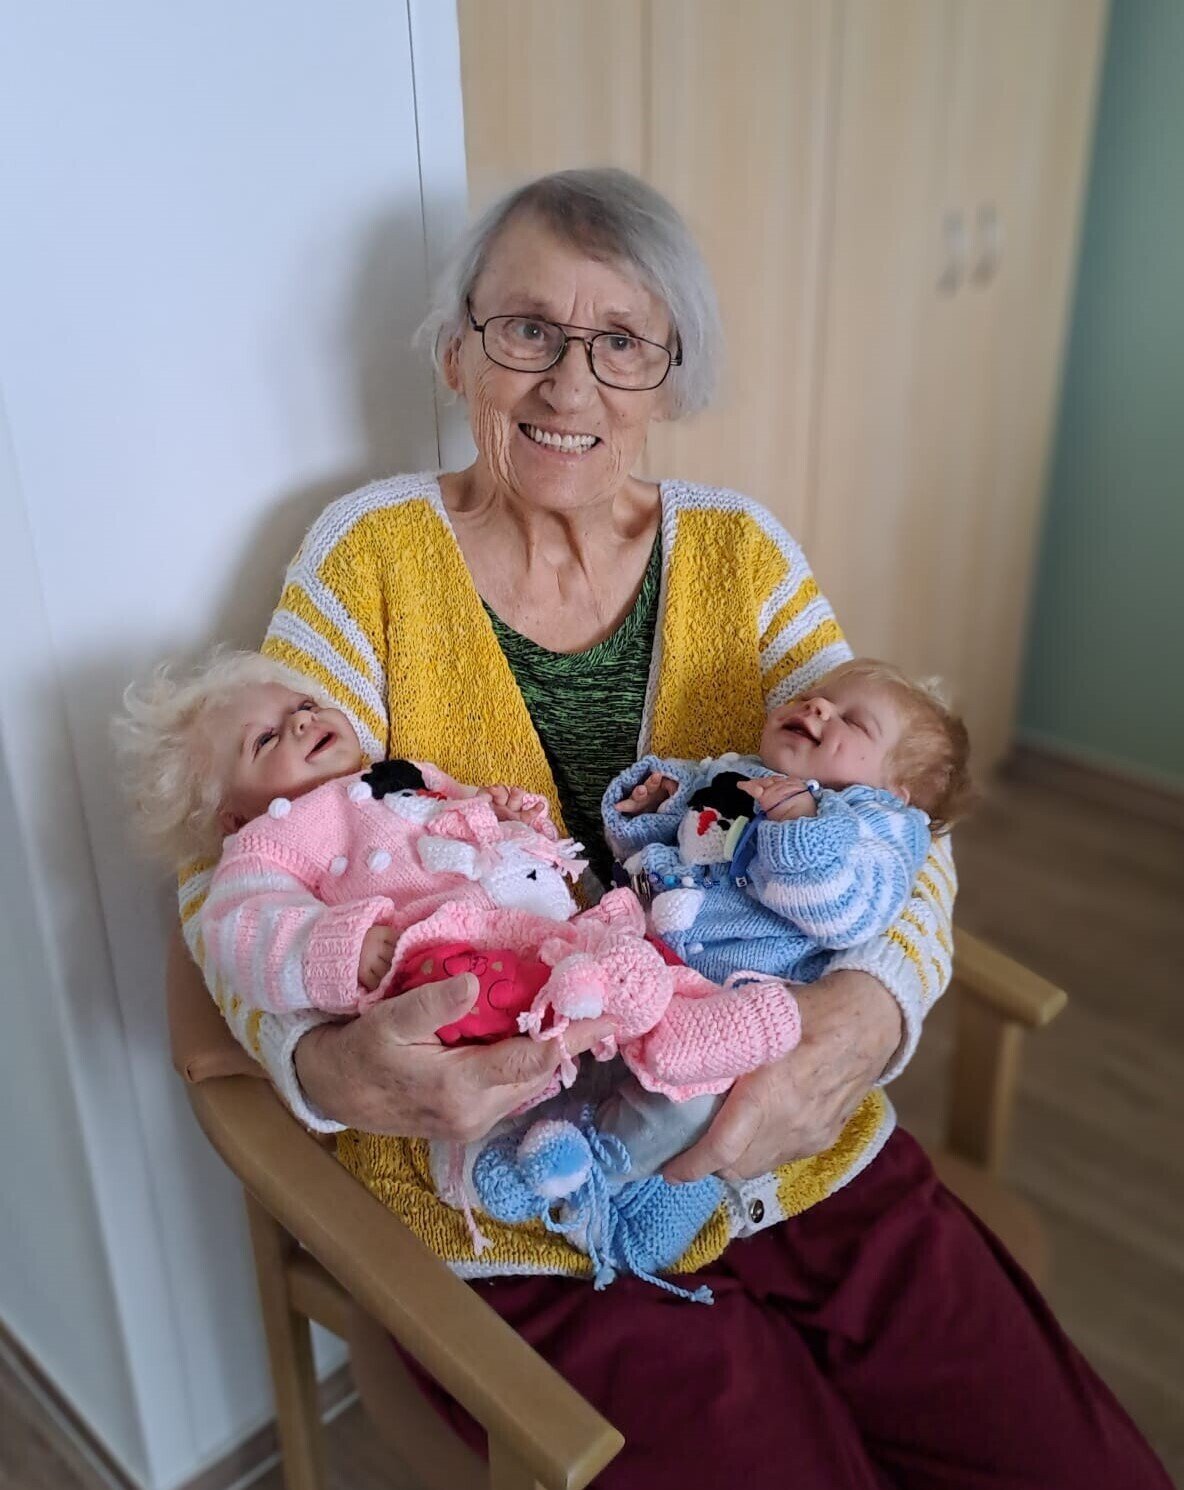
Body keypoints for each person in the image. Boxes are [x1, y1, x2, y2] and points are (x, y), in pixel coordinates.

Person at [172, 169, 1169, 1487]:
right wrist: (330, 1072)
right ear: (458, 348)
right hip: (532, 1204)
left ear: (670, 376)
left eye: (621, 342)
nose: (569, 383)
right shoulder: (368, 561)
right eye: (527, 328)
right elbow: (226, 869)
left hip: (793, 1135)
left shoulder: (743, 556)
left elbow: (898, 823)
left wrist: (868, 1016)